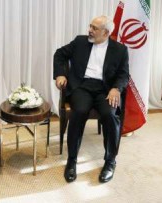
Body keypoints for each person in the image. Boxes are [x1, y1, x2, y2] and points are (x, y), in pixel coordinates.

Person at [53, 15, 129, 183]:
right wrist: (60, 74)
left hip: (105, 89)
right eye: (90, 26)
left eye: (95, 28)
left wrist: (116, 88)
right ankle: (72, 160)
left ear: (107, 32)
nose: (90, 30)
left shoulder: (120, 50)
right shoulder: (80, 42)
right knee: (79, 112)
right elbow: (59, 54)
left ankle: (110, 161)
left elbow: (124, 75)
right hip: (82, 86)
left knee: (110, 115)